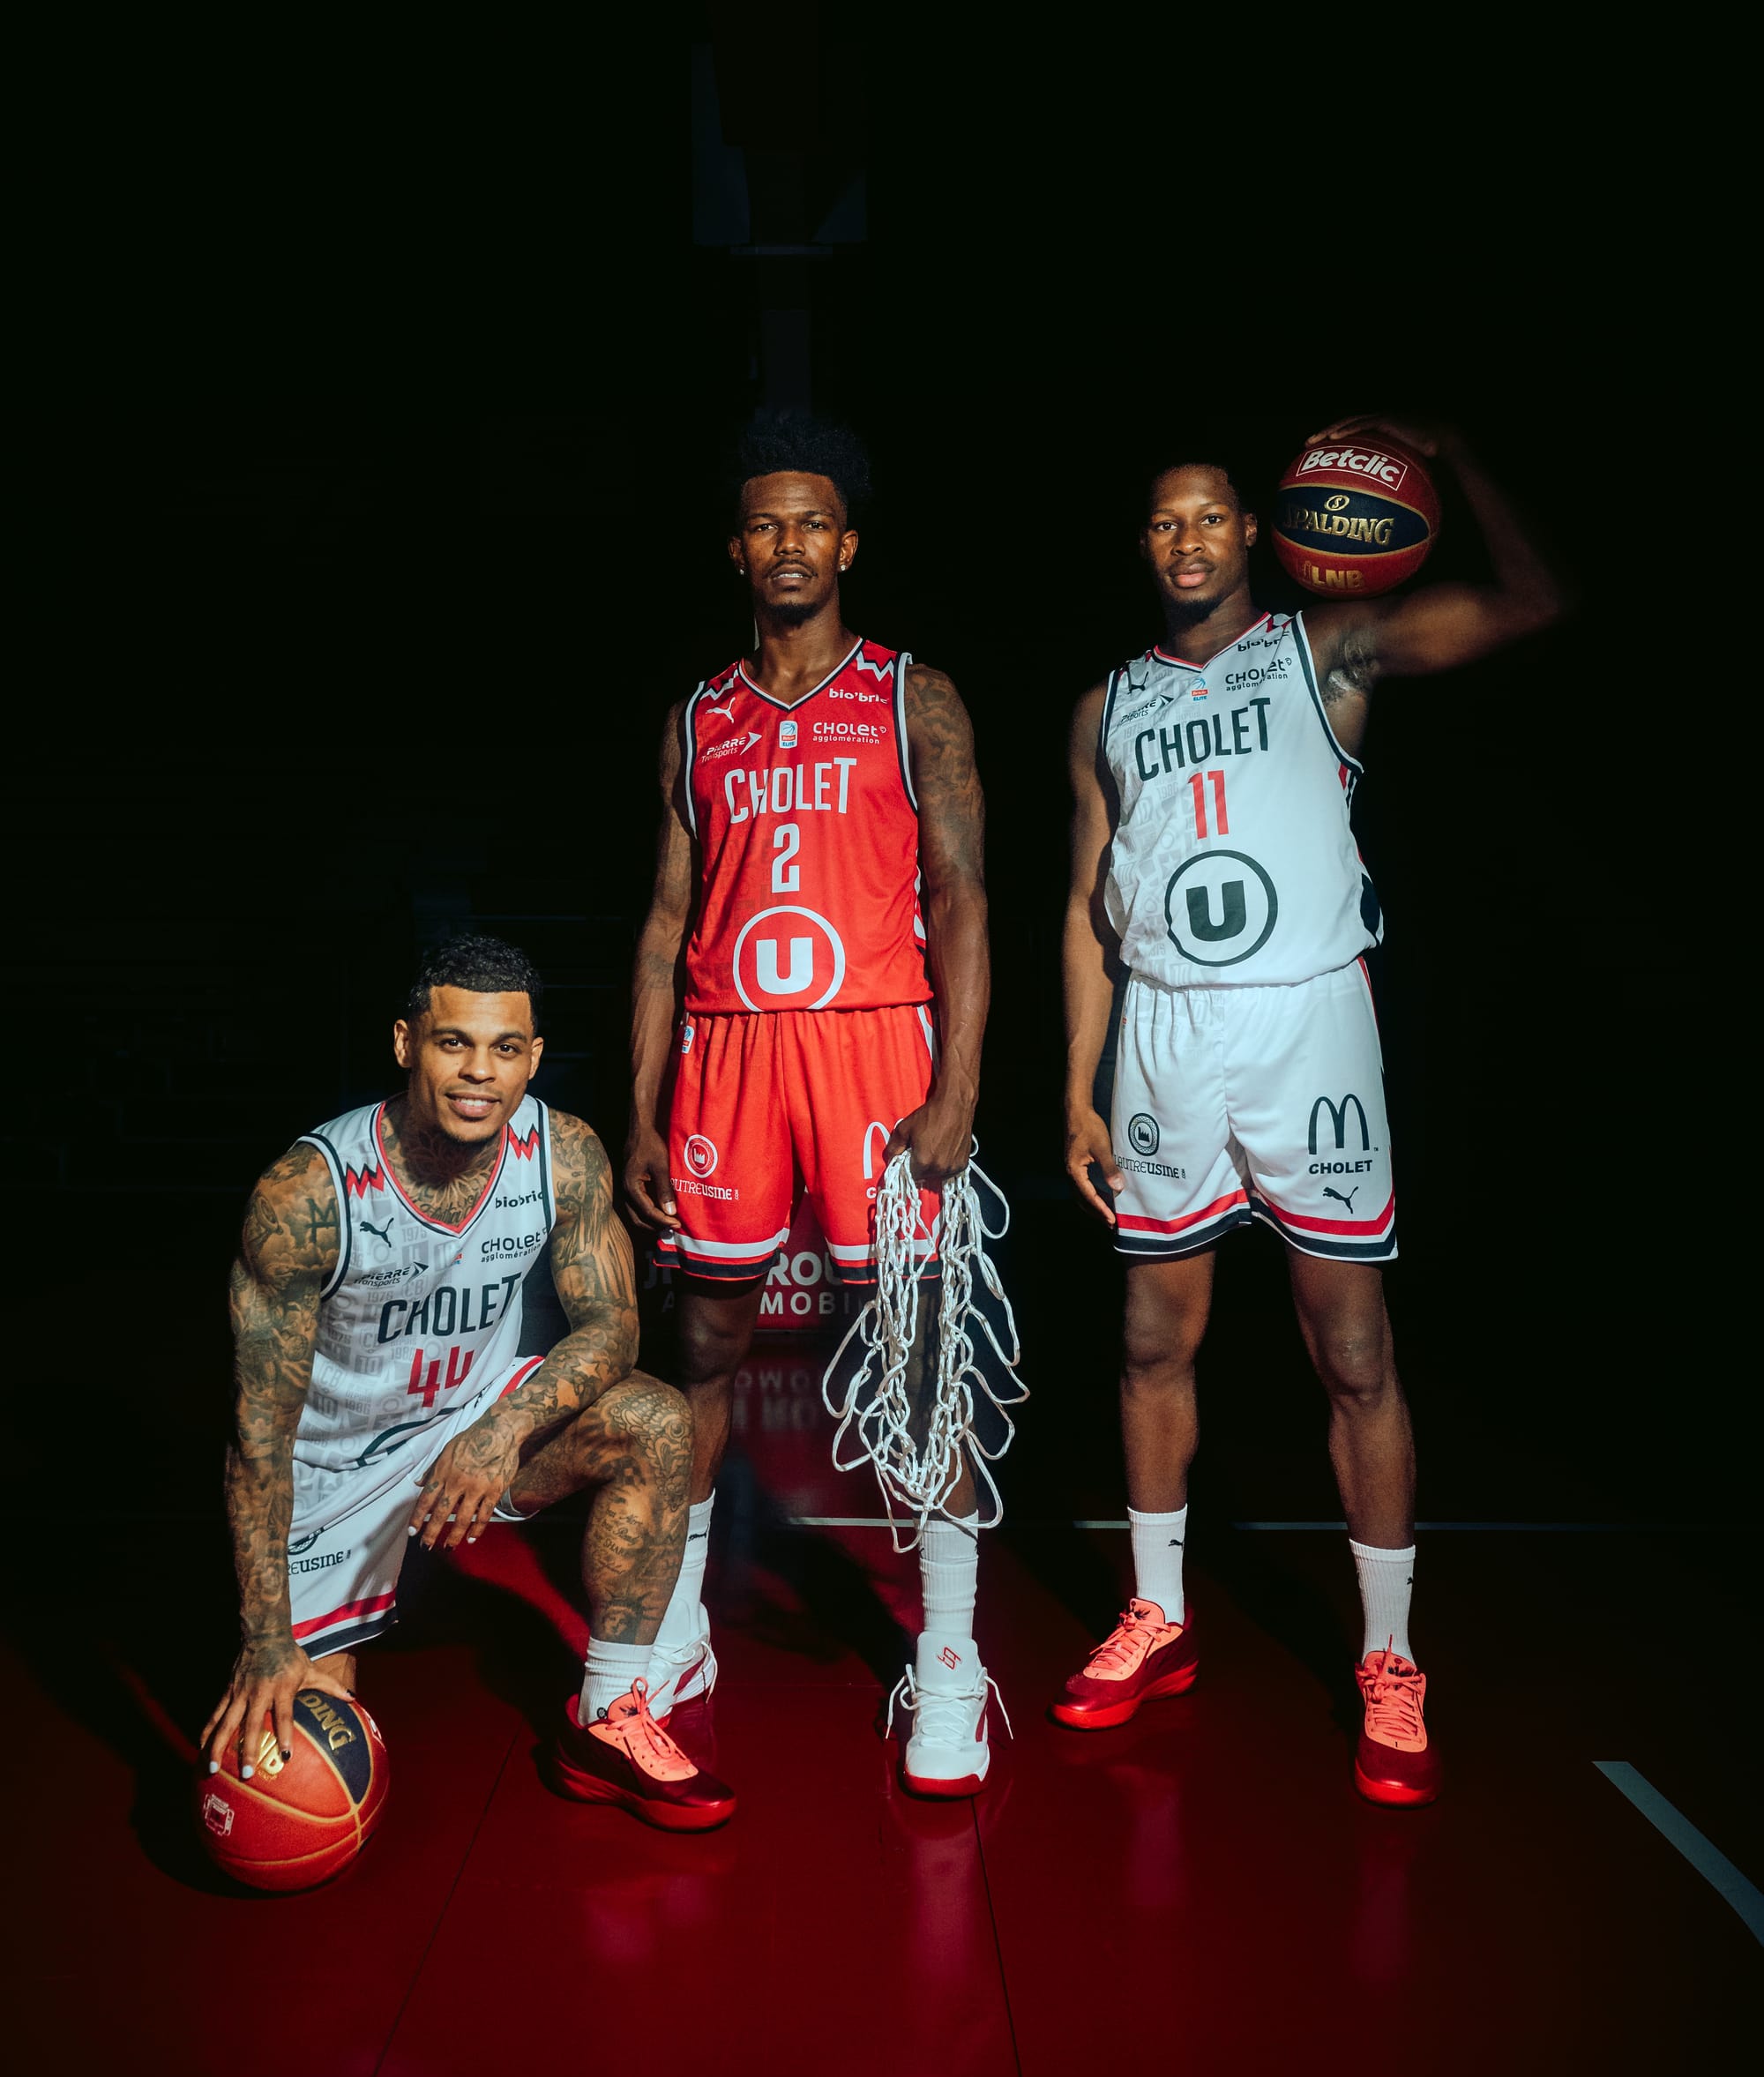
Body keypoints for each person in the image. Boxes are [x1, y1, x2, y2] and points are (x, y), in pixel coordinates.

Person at [1056, 416, 1567, 1804]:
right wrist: (1079, 1086)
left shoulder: (1325, 649)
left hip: (1307, 1022)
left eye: (1208, 515)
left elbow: (1528, 601)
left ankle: (1390, 1659)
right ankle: (1159, 1614)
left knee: (1351, 1348)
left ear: (1254, 529)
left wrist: (1457, 461)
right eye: (1163, 520)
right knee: (1150, 1337)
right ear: (1145, 544)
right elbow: (1088, 909)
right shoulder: (1107, 707)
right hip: (1164, 1031)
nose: (1186, 539)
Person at [624, 414, 1002, 1795]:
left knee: (920, 1358)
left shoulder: (915, 696)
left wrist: (959, 1083)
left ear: (847, 544)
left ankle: (949, 1662)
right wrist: (643, 1106)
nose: (788, 543)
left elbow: (963, 896)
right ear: (737, 549)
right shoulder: (697, 717)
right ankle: (677, 1633)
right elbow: (665, 924)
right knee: (704, 1345)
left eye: (812, 523)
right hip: (727, 1052)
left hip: (873, 1047)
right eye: (764, 524)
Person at [201, 933, 734, 1832]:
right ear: (406, 1042)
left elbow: (611, 1328)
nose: (479, 1071)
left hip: (470, 1417)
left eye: (503, 1047)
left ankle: (606, 1719)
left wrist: (498, 1432)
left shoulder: (561, 1154)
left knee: (654, 1418)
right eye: (453, 1042)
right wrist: (263, 1641)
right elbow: (256, 1440)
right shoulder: (307, 1196)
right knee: (300, 1760)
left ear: (533, 1056)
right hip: (335, 1472)